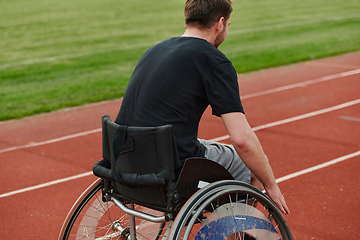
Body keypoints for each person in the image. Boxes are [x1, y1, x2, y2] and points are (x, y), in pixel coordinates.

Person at [115, 0, 290, 214]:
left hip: (124, 162)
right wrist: (270, 185)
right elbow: (242, 140)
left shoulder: (154, 50)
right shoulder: (214, 61)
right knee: (251, 166)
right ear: (221, 23)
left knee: (195, 147)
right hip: (172, 168)